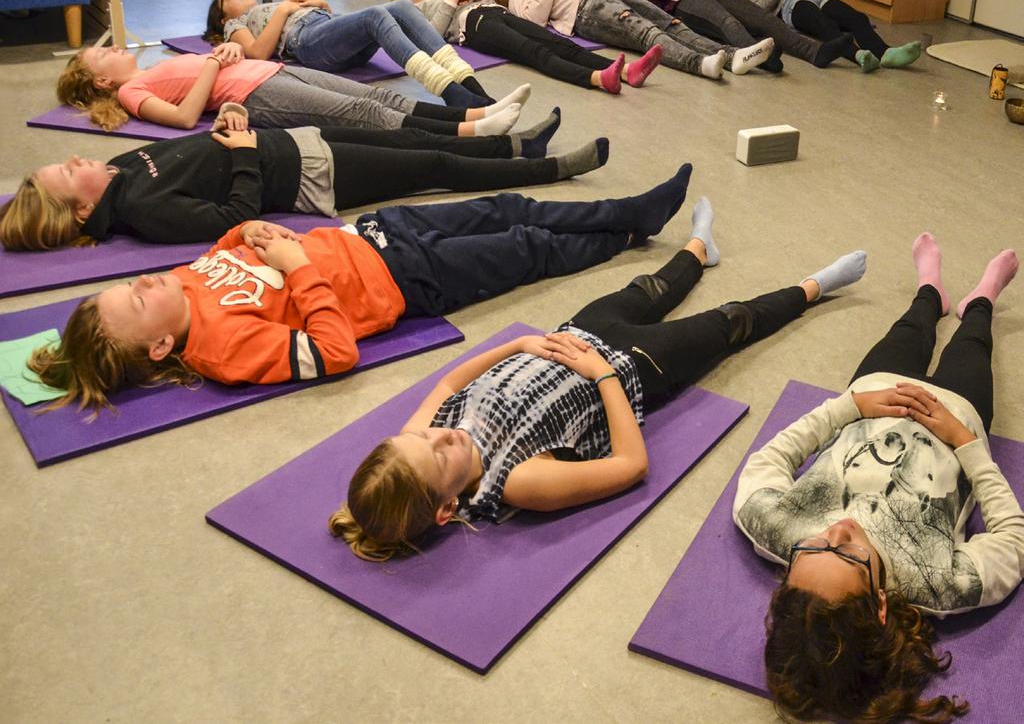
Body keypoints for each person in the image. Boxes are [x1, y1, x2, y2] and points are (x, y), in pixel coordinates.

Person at [329, 197, 869, 561]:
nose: (439, 434)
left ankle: (698, 249)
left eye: (421, 434)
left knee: (649, 290)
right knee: (728, 323)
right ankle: (814, 288)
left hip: (574, 333)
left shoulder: (417, 447)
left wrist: (517, 344)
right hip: (631, 369)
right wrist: (603, 374)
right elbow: (631, 466)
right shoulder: (514, 483)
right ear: (448, 509)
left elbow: (446, 388)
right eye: (440, 452)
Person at [30, 164, 702, 414]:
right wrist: (295, 267)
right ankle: (625, 232)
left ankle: (631, 208)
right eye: (141, 298)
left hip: (374, 233)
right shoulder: (223, 347)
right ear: (159, 346)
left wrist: (254, 235)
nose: (148, 278)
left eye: (131, 281)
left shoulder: (179, 282)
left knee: (507, 206)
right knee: (530, 249)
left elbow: (225, 246)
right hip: (404, 281)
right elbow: (331, 351)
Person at [733, 234, 1024, 723]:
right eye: (848, 555)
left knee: (911, 328)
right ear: (881, 606)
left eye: (814, 546)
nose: (837, 533)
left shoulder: (771, 528)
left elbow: (771, 458)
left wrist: (848, 407)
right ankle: (981, 303)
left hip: (875, 393)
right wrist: (965, 443)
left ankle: (930, 291)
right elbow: (1013, 539)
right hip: (957, 414)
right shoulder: (940, 585)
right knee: (973, 343)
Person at [0, 105, 606, 250]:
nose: (79, 160)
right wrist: (240, 154)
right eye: (68, 172)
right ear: (80, 212)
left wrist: (234, 122)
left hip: (293, 144)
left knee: (414, 135)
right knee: (435, 167)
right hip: (314, 177)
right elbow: (235, 221)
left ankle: (518, 143)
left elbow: (203, 145)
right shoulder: (143, 211)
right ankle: (552, 169)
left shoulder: (123, 167)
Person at [55, 43, 530, 135]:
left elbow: (213, 66)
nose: (114, 47)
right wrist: (212, 66)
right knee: (361, 113)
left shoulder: (154, 66)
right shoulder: (128, 94)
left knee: (377, 96)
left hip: (269, 71)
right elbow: (184, 117)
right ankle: (471, 135)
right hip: (260, 98)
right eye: (103, 54)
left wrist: (229, 54)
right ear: (102, 80)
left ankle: (473, 116)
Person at [205, 0, 494, 107]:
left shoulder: (270, 8)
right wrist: (282, 11)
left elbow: (333, 21)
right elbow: (257, 53)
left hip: (323, 33)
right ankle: (450, 91)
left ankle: (468, 82)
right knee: (375, 15)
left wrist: (319, 3)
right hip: (306, 41)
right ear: (222, 16)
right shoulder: (235, 24)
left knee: (402, 6)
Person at [494, 0, 776, 81]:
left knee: (672, 24)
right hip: (588, 9)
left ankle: (730, 55)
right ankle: (700, 64)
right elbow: (533, 19)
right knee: (647, 33)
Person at [390, 0, 662, 94]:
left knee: (559, 43)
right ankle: (598, 79)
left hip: (493, 12)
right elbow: (432, 37)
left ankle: (627, 71)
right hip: (475, 24)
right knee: (534, 52)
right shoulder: (413, 10)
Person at [620, 0, 854, 73]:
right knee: (728, 23)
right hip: (687, 2)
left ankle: (814, 52)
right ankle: (760, 55)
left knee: (764, 19)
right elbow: (646, 8)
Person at [732, 0, 922, 72]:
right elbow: (758, 10)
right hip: (792, 5)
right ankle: (857, 55)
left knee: (856, 18)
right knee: (823, 24)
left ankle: (885, 53)